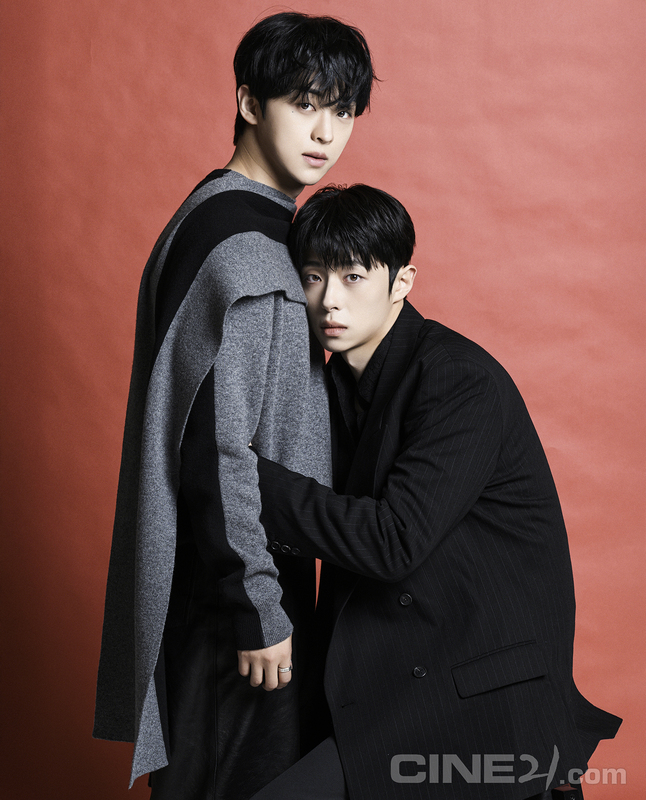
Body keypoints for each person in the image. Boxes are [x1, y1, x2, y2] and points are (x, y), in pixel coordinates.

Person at [253, 184, 622, 800]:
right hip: (394, 684)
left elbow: (393, 541)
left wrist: (243, 480)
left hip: (480, 699)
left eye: (353, 277)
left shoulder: (456, 380)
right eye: (313, 277)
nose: (329, 300)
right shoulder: (333, 383)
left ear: (402, 282)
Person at [92, 15, 375, 800]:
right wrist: (257, 607)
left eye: (343, 110)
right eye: (305, 104)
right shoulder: (249, 252)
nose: (326, 133)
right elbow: (216, 448)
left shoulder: (213, 212)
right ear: (250, 103)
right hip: (240, 594)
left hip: (219, 577)